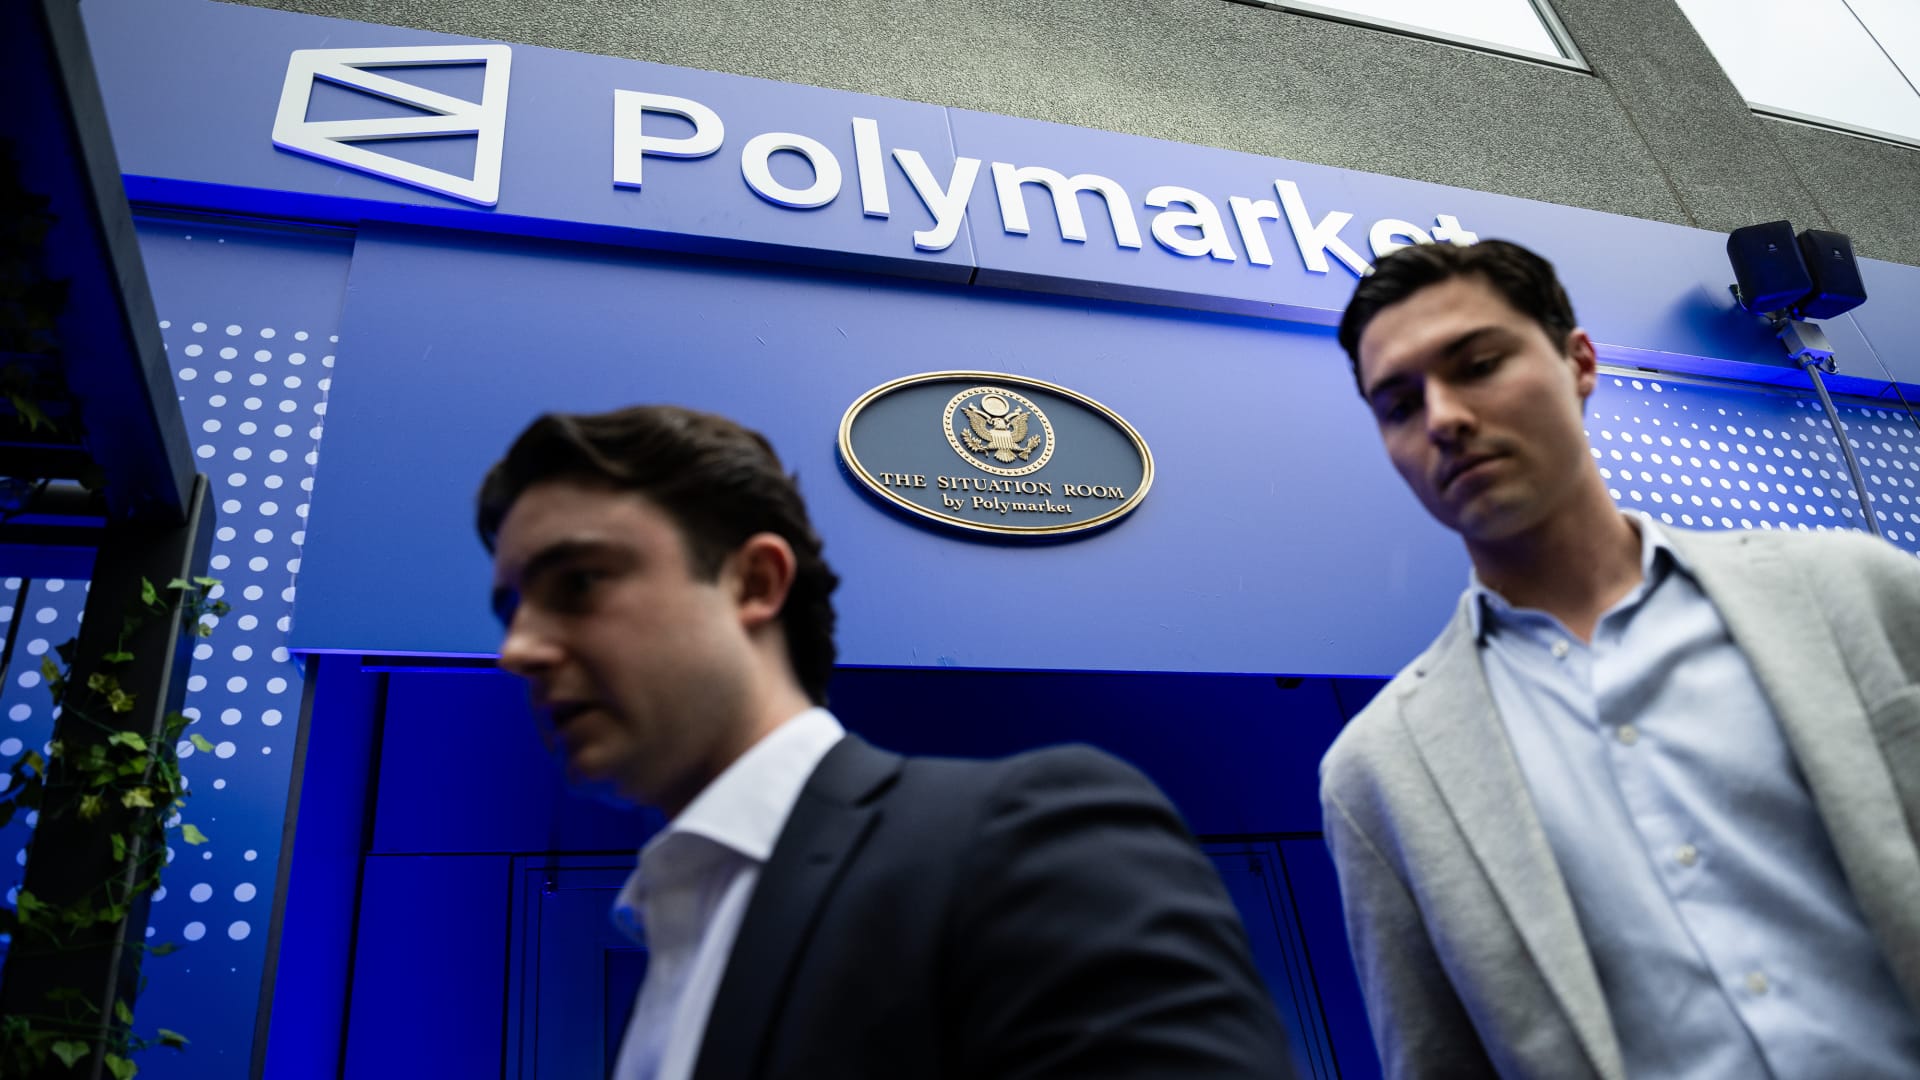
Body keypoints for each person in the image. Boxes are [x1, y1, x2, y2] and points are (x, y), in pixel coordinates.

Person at [477, 405, 1297, 1080]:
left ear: (755, 582)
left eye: (578, 583)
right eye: (511, 608)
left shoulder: (1027, 841)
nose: (519, 648)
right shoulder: (671, 935)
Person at [1321, 239, 1920, 1078]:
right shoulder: (1380, 774)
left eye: (1479, 365)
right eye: (1398, 404)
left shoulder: (1853, 589)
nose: (1443, 418)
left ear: (1580, 362)